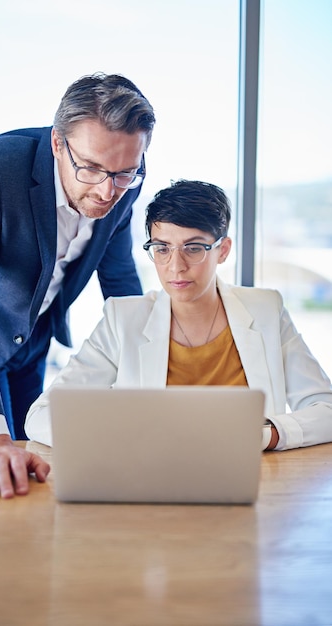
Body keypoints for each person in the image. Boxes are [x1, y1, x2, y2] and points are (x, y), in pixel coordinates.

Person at [0, 72, 156, 498]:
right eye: (92, 169)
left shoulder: (123, 172)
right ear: (58, 143)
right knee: (1, 480)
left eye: (123, 174)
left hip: (34, 336)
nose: (107, 190)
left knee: (42, 471)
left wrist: (153, 367)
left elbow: (118, 276)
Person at [25, 179, 332, 451]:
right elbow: (41, 417)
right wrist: (123, 438)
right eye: (162, 248)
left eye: (194, 248)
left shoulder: (266, 310)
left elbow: (326, 410)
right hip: (154, 486)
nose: (176, 266)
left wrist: (268, 435)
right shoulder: (124, 320)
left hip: (255, 485)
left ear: (222, 250)